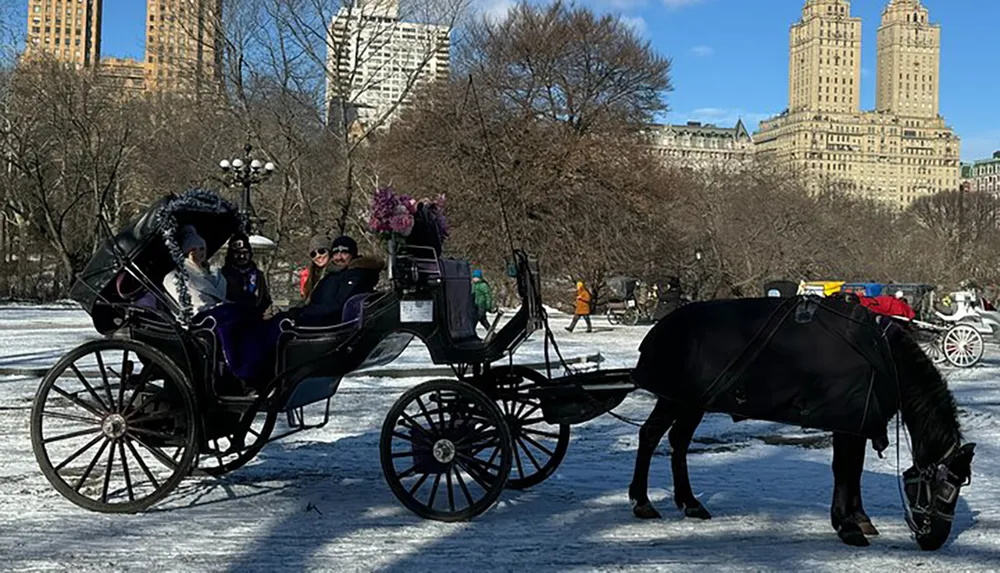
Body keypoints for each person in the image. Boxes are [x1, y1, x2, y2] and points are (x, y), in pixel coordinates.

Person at [292, 235, 385, 326]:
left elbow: (337, 307)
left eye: (344, 253)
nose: (339, 257)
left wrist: (301, 314)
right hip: (318, 317)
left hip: (330, 323)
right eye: (336, 253)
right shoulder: (329, 275)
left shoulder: (355, 275)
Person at [163, 225, 228, 315]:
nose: (198, 253)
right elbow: (194, 306)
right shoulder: (176, 276)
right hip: (203, 322)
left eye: (201, 249)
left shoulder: (215, 272)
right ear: (185, 253)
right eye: (192, 250)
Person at [221, 232, 271, 317]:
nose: (242, 256)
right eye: (237, 253)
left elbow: (265, 299)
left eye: (245, 252)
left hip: (254, 320)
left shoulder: (258, 275)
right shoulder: (223, 275)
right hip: (230, 320)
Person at [300, 234, 334, 301]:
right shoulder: (310, 275)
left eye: (321, 251)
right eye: (313, 254)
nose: (318, 256)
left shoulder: (337, 272)